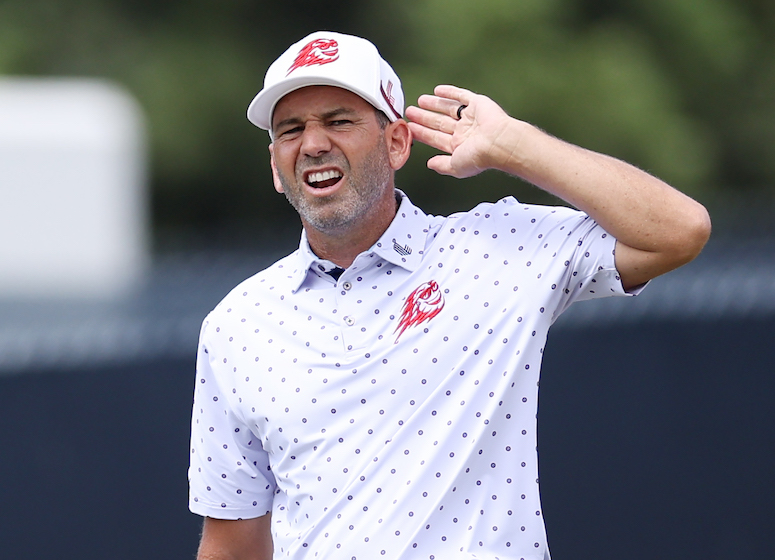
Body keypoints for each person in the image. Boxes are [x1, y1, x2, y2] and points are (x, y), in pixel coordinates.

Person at [189, 31, 710, 560]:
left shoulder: (494, 248)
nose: (314, 143)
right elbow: (233, 543)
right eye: (291, 129)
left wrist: (516, 145)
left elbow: (677, 230)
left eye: (339, 120)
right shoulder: (236, 324)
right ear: (276, 166)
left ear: (397, 142)